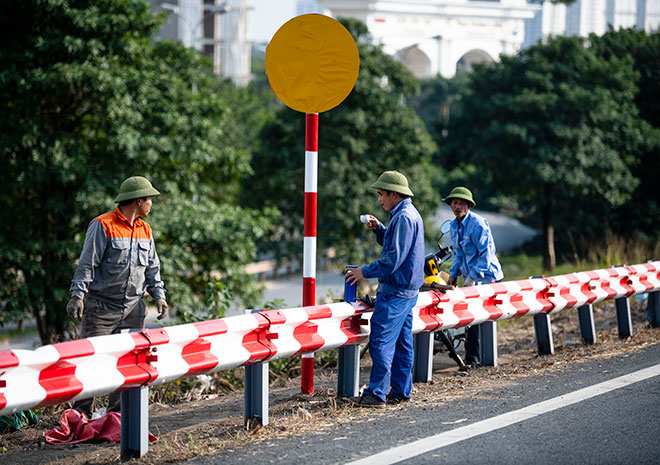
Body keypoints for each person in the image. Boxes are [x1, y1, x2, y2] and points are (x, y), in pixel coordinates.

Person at [66, 176, 168, 416]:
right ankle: (81, 417)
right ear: (138, 201)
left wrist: (159, 295)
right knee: (91, 361)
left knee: (129, 363)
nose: (151, 204)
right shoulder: (102, 225)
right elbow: (87, 264)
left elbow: (153, 267)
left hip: (134, 309)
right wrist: (78, 295)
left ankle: (118, 416)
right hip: (101, 308)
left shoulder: (145, 229)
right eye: (149, 199)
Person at [345, 170, 425, 408]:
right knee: (402, 343)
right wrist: (379, 229)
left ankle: (376, 393)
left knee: (380, 341)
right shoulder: (408, 214)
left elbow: (393, 260)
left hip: (395, 291)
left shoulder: (402, 218)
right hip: (408, 291)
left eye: (381, 194)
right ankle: (400, 391)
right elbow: (397, 245)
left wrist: (364, 272)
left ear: (394, 194)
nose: (379, 199)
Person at [445, 186, 503, 367]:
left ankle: (477, 358)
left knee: (480, 317)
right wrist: (453, 275)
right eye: (454, 203)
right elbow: (458, 254)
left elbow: (486, 253)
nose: (457, 206)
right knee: (470, 317)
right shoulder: (454, 225)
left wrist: (472, 277)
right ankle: (472, 358)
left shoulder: (478, 223)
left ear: (468, 206)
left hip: (487, 275)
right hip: (470, 277)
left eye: (461, 203)